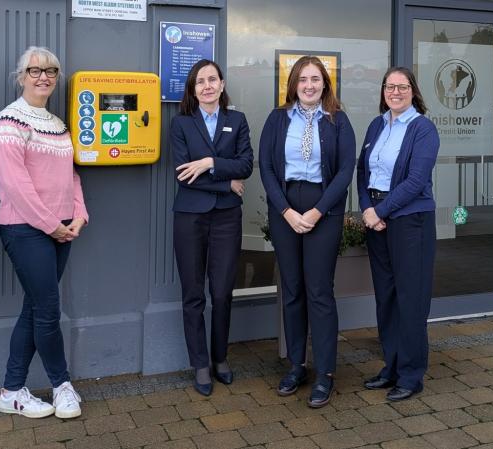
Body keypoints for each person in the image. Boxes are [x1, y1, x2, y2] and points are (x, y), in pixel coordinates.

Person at [0, 46, 88, 419]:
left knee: (34, 308)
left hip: (61, 229)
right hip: (24, 229)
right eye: (34, 70)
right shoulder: (8, 123)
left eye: (51, 71)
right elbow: (16, 186)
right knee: (47, 309)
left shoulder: (58, 124)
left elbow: (71, 175)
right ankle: (62, 386)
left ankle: (12, 391)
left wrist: (79, 214)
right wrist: (52, 225)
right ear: (21, 76)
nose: (43, 77)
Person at [259, 55, 355, 408]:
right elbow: (266, 167)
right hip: (285, 207)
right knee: (292, 289)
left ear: (325, 84)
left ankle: (325, 372)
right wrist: (286, 211)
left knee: (319, 291)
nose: (309, 85)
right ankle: (296, 366)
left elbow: (345, 170)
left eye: (316, 79)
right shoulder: (277, 118)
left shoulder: (338, 120)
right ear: (293, 84)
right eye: (303, 79)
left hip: (323, 208)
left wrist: (316, 211)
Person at [170, 59, 253, 396]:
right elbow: (183, 175)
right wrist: (226, 182)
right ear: (193, 89)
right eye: (200, 81)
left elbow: (245, 165)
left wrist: (209, 163)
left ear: (222, 84)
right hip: (190, 217)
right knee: (193, 294)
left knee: (221, 292)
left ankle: (220, 358)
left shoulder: (237, 120)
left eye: (212, 80)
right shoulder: (181, 124)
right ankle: (200, 364)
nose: (207, 86)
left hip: (227, 218)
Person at [356, 66, 439, 402]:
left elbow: (416, 180)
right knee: (387, 297)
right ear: (383, 91)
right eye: (390, 87)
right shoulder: (377, 125)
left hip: (410, 221)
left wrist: (381, 211)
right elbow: (362, 172)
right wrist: (367, 209)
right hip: (377, 220)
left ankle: (411, 374)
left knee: (411, 299)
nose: (395, 92)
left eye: (402, 87)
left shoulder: (423, 129)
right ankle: (390, 366)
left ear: (413, 91)